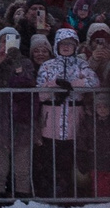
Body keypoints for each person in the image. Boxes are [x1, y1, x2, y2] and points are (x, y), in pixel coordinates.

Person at [35, 27, 100, 196]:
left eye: (70, 44)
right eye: (63, 43)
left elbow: (94, 83)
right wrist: (55, 85)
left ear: (75, 46)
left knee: (71, 157)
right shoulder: (47, 66)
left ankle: (70, 191)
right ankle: (51, 190)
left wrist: (73, 84)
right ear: (56, 45)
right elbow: (40, 92)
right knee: (50, 158)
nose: (66, 47)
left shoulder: (82, 65)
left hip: (74, 120)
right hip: (51, 120)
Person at [0, 28, 38, 200]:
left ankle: (23, 198)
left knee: (22, 168)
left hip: (22, 121)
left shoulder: (25, 63)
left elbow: (29, 83)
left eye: (11, 40)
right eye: (3, 40)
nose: (6, 44)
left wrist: (17, 65)